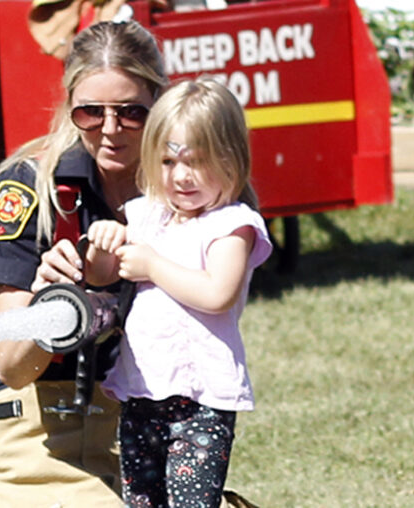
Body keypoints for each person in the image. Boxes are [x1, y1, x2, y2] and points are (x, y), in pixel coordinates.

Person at [0, 20, 167, 507]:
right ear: (71, 107)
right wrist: (49, 310)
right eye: (92, 113)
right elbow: (11, 367)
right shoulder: (30, 188)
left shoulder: (180, 187)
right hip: (32, 440)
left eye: (131, 113)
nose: (110, 130)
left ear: (159, 103)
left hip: (141, 425)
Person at [80, 77, 272, 508]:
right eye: (168, 162)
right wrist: (103, 243)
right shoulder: (146, 215)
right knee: (142, 500)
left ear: (231, 160)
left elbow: (216, 293)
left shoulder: (231, 225)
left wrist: (152, 265)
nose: (181, 177)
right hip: (143, 392)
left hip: (200, 402)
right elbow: (101, 275)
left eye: (197, 161)